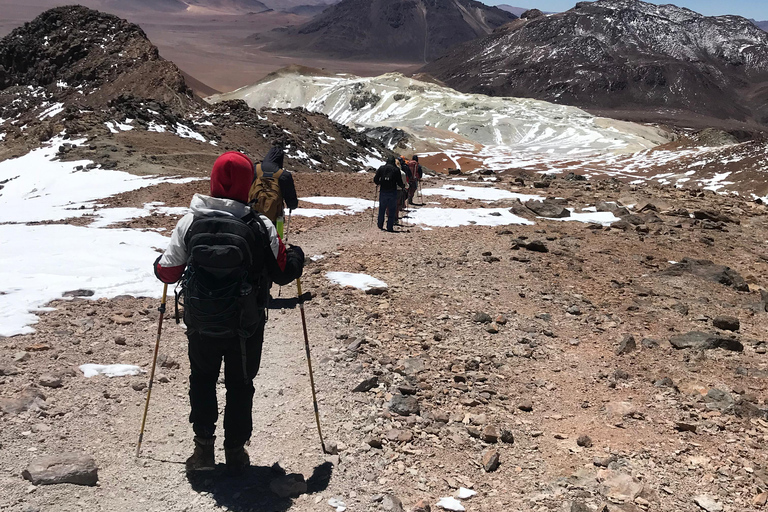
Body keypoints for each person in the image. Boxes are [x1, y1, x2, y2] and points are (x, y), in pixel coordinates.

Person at [154, 151, 305, 473]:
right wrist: (297, 257)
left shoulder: (189, 221)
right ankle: (235, 451)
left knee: (202, 379)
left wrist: (159, 264)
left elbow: (167, 273)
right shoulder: (259, 224)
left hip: (202, 322)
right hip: (245, 324)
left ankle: (203, 451)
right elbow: (281, 274)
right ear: (247, 184)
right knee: (240, 384)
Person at [249, 145, 299, 238]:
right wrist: (292, 205)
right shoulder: (284, 175)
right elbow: (291, 201)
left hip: (253, 215)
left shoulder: (255, 169)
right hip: (275, 216)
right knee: (274, 238)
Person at [373, 156, 404, 232]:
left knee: (382, 209)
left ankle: (380, 225)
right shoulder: (396, 170)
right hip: (392, 192)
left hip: (383, 191)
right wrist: (403, 186)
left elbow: (375, 179)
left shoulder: (382, 168)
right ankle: (389, 226)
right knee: (392, 209)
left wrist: (380, 183)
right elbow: (399, 182)